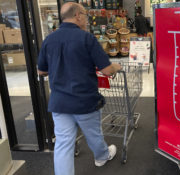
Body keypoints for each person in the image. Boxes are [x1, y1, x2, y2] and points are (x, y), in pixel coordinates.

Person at [37, 2, 121, 175]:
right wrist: (117, 67)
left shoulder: (49, 39)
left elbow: (41, 70)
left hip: (60, 102)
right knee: (93, 135)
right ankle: (102, 157)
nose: (86, 18)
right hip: (84, 101)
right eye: (85, 14)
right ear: (77, 15)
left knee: (63, 143)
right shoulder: (86, 38)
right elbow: (106, 69)